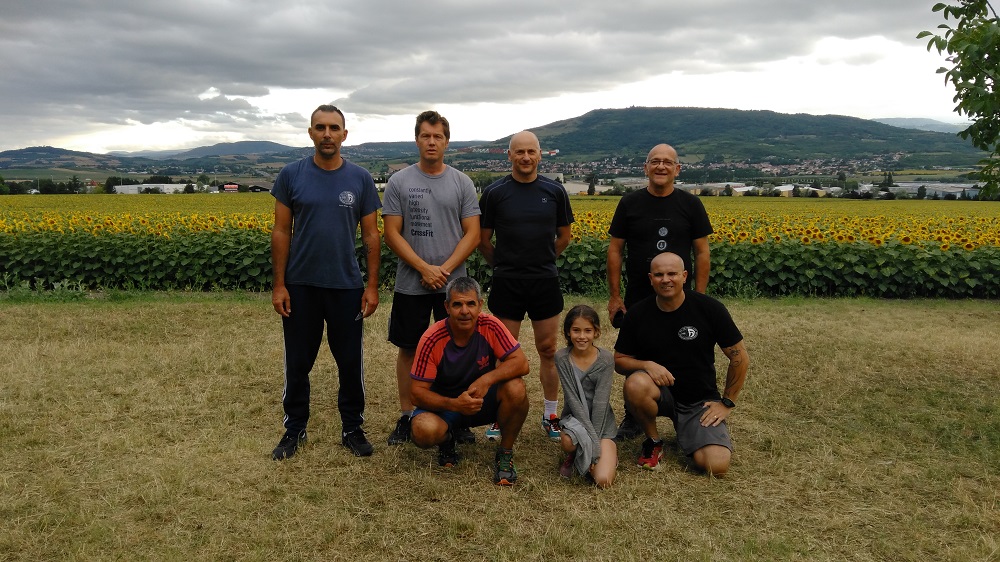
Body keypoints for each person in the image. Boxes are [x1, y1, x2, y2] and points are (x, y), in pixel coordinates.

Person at [269, 104, 381, 460]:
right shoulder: (291, 175)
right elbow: (280, 231)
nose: (327, 134)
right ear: (311, 133)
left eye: (334, 128)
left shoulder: (360, 178)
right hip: (300, 285)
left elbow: (371, 237)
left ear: (345, 135)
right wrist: (279, 285)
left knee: (349, 361)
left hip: (346, 285)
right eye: (321, 127)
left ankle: (352, 428)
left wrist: (372, 285)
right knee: (298, 361)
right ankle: (294, 428)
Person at [382, 111, 481, 446]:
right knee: (409, 348)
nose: (432, 142)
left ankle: (457, 417)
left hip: (454, 286)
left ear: (447, 142)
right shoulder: (399, 181)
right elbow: (392, 233)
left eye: (438, 136)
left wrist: (446, 270)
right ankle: (408, 415)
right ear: (417, 140)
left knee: (457, 349)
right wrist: (424, 268)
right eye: (425, 136)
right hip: (412, 282)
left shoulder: (462, 183)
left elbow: (473, 233)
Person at [607, 143, 713, 440]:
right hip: (638, 294)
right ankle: (634, 414)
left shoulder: (690, 205)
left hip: (680, 296)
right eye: (655, 161)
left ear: (677, 169)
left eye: (668, 162)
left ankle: (690, 406)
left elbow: (702, 252)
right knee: (634, 351)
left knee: (686, 347)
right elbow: (615, 251)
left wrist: (699, 296)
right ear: (646, 167)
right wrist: (615, 296)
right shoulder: (630, 203)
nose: (661, 167)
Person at [614, 252, 749, 476]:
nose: (665, 279)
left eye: (672, 273)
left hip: (699, 401)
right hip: (659, 393)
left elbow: (739, 357)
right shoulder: (637, 313)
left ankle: (693, 431)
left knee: (716, 466)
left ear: (685, 276)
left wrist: (726, 403)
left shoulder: (710, 308)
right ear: (650, 279)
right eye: (658, 275)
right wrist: (648, 365)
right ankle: (653, 441)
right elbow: (619, 361)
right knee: (636, 384)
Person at [478, 130, 573, 441]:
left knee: (548, 349)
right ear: (509, 155)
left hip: (544, 281)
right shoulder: (494, 193)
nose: (525, 157)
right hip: (508, 282)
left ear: (540, 155)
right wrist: (504, 266)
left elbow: (564, 236)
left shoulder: (555, 191)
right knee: (504, 355)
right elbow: (483, 240)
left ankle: (550, 414)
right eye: (519, 152)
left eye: (531, 151)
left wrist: (542, 259)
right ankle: (497, 413)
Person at [408, 277, 530, 486]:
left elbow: (522, 363)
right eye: (457, 304)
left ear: (480, 305)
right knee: (422, 430)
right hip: (446, 406)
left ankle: (505, 453)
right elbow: (416, 393)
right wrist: (454, 404)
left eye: (471, 304)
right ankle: (447, 440)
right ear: (447, 307)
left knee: (516, 388)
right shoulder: (431, 338)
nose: (465, 311)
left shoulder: (491, 325)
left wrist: (487, 379)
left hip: (481, 401)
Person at [555, 305, 618, 488]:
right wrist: (592, 445)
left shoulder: (605, 359)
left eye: (587, 331)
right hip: (576, 419)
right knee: (567, 441)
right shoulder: (562, 358)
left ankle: (607, 453)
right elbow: (573, 400)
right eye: (576, 330)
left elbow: (600, 403)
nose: (582, 336)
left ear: (596, 332)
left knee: (603, 480)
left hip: (601, 424)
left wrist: (596, 447)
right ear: (567, 332)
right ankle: (574, 454)